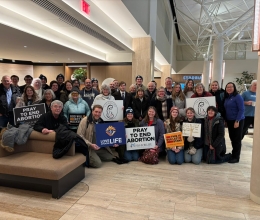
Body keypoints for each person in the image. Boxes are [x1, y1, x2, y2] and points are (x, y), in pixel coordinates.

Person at [224, 82, 245, 163]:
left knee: (237, 139)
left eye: (231, 87)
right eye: (227, 87)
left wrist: (237, 121)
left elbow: (241, 109)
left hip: (237, 120)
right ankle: (233, 154)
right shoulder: (227, 97)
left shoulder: (237, 97)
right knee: (232, 138)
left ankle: (236, 157)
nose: (229, 88)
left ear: (234, 88)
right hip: (229, 121)